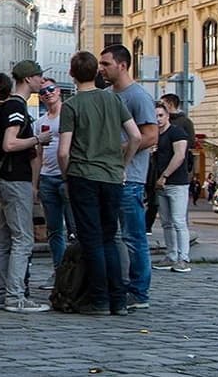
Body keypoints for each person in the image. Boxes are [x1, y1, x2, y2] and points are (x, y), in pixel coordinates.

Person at [58, 51, 142, 316]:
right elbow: (136, 136)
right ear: (96, 72)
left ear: (71, 74)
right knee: (109, 238)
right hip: (112, 178)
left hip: (84, 175)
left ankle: (99, 299)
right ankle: (118, 299)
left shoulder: (71, 106)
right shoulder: (114, 100)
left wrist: (66, 174)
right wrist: (123, 164)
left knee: (91, 239)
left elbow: (63, 151)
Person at [0, 63, 53, 313]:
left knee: (4, 239)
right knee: (22, 240)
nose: (42, 81)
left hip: (5, 180)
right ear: (28, 79)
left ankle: (1, 293)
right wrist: (38, 139)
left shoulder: (6, 105)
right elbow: (9, 143)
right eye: (39, 77)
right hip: (16, 179)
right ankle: (15, 297)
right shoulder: (16, 106)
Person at [99, 45, 157, 311]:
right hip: (109, 175)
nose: (101, 68)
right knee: (114, 236)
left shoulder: (138, 97)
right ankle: (119, 285)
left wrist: (120, 149)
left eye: (106, 64)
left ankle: (139, 291)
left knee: (134, 237)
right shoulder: (107, 95)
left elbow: (151, 135)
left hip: (130, 177)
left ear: (122, 65)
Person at [33, 78, 76, 290]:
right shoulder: (40, 121)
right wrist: (35, 183)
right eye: (43, 92)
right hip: (48, 177)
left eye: (50, 89)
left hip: (67, 176)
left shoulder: (69, 115)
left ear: (58, 91)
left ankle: (75, 273)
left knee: (75, 229)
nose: (47, 93)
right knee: (54, 230)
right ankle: (59, 272)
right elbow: (38, 155)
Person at [152, 102, 193, 273]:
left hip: (177, 183)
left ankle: (183, 258)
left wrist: (165, 176)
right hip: (160, 184)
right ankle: (171, 255)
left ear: (167, 115)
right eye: (155, 116)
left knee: (178, 222)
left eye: (161, 115)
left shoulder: (176, 132)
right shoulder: (156, 135)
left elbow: (179, 156)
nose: (158, 119)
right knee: (167, 223)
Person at [160, 94, 197, 202]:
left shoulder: (184, 122)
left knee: (177, 217)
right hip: (160, 170)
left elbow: (189, 144)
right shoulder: (162, 122)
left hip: (178, 174)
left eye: (163, 104)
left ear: (170, 104)